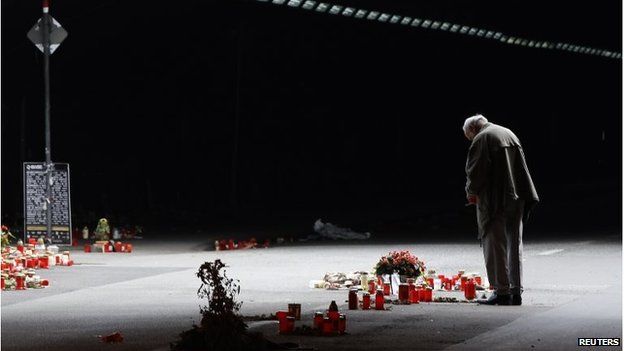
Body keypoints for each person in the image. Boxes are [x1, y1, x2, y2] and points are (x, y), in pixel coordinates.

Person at [463, 114, 539, 306]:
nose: (471, 140)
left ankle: (501, 291)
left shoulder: (483, 138)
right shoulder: (508, 133)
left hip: (496, 199)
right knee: (514, 243)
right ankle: (516, 291)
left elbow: (476, 172)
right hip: (518, 196)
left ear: (473, 130)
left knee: (495, 244)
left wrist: (471, 192)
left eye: (469, 137)